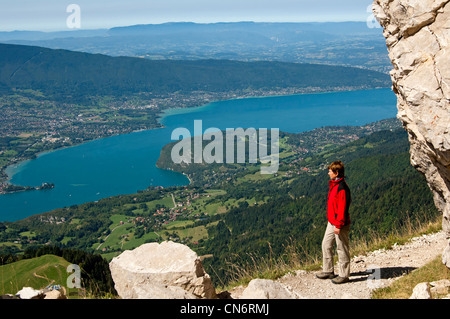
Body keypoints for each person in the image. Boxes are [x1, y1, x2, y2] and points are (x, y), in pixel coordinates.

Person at [316, 160, 351, 284]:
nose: (328, 173)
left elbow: (342, 209)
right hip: (332, 222)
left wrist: (339, 225)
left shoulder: (341, 188)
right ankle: (328, 270)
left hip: (339, 224)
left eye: (330, 171)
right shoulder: (335, 185)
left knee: (341, 248)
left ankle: (344, 275)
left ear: (336, 173)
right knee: (326, 244)